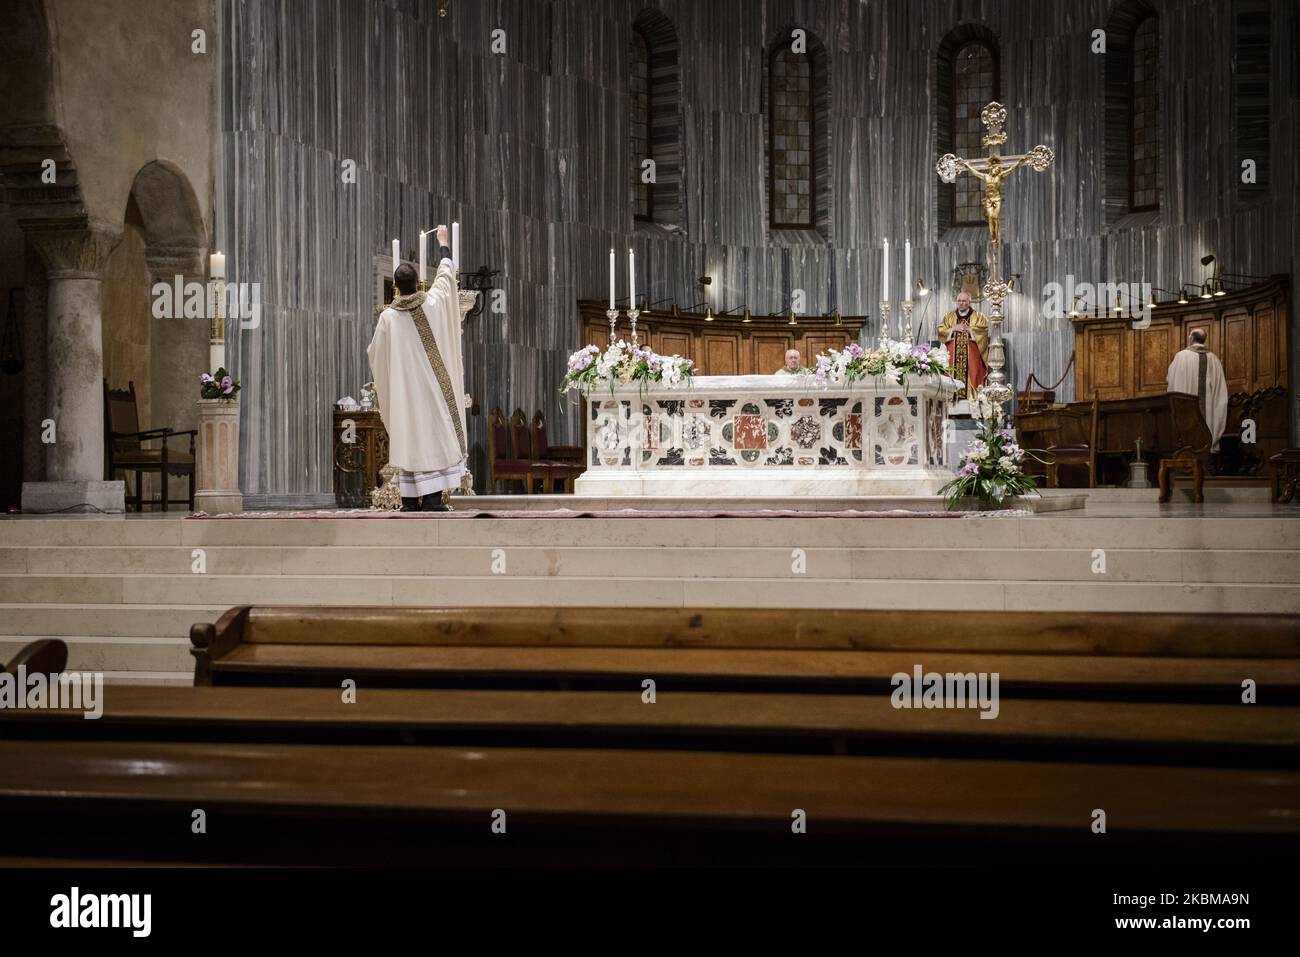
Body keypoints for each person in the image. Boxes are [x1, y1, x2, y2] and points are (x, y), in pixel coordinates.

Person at [367, 225, 471, 512]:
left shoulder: (388, 318)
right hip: (431, 391)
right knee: (433, 438)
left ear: (395, 288)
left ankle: (411, 500)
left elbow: (374, 353)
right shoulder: (433, 303)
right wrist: (443, 245)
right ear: (416, 283)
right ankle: (434, 499)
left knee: (410, 437)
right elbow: (446, 277)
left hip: (404, 396)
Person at [1166, 328, 1228, 449]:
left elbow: (1170, 379)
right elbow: (1220, 390)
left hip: (1185, 412)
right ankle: (1209, 446)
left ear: (1191, 338)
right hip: (1208, 413)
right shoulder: (1214, 360)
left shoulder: (1181, 357)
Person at [937, 290, 989, 402]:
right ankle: (950, 403)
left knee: (973, 375)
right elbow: (941, 331)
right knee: (950, 377)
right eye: (959, 301)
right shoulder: (949, 316)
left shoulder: (978, 316)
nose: (961, 303)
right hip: (952, 356)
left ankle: (973, 403)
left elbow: (984, 331)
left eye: (964, 301)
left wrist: (970, 330)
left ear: (969, 302)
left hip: (972, 357)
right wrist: (953, 329)